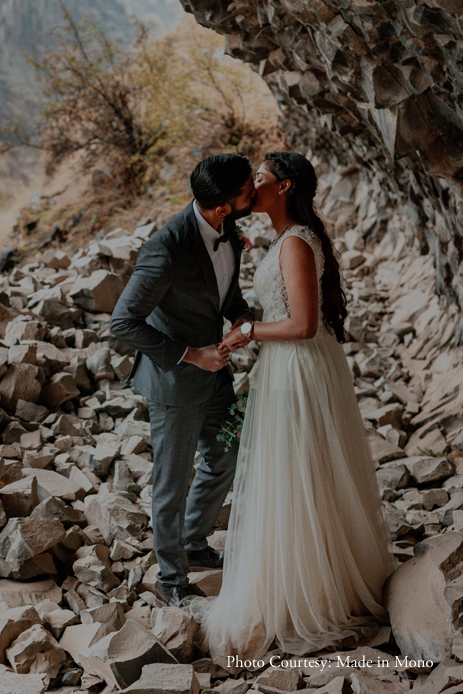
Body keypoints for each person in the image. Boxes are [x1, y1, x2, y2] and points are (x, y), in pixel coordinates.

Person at [190, 151, 398, 664]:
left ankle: (312, 594)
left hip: (300, 366)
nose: (249, 186)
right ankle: (302, 576)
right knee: (291, 473)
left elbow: (303, 324)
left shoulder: (297, 243)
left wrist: (248, 331)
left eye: (257, 179)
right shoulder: (286, 239)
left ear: (282, 187)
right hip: (287, 365)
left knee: (298, 473)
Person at [109, 153, 256, 608]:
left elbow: (224, 291)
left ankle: (194, 543)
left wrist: (243, 316)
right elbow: (122, 322)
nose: (256, 193)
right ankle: (170, 576)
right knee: (171, 483)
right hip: (175, 382)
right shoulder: (165, 249)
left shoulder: (227, 231)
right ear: (223, 207)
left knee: (226, 455)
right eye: (249, 190)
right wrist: (193, 355)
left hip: (218, 378)